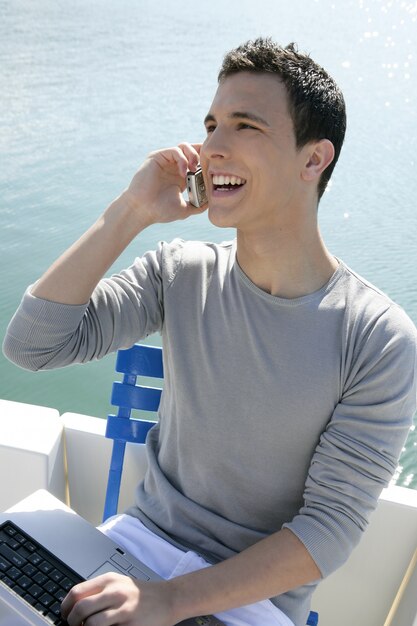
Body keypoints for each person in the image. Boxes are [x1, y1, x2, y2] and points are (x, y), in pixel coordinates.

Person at [3, 37, 417, 626]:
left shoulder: (376, 338)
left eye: (245, 126)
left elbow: (327, 532)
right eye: (211, 124)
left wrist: (170, 601)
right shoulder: (179, 271)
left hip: (248, 602)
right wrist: (133, 209)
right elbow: (32, 345)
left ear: (313, 159)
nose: (212, 147)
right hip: (130, 555)